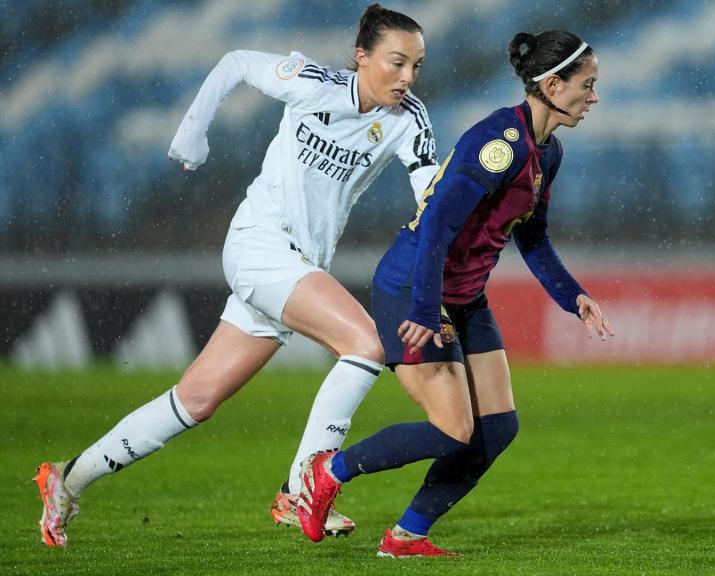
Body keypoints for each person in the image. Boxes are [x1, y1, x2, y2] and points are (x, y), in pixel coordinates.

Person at [34, 4, 439, 547]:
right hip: (259, 246)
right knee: (365, 344)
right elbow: (236, 61)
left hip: (296, 265)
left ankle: (68, 478)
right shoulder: (313, 83)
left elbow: (430, 198)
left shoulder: (408, 120)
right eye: (396, 63)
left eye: (416, 65)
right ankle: (301, 489)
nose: (407, 77)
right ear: (362, 56)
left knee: (196, 399)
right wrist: (193, 132)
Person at [294, 30, 613, 558]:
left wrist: (572, 296)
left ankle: (407, 535)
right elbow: (436, 226)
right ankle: (326, 470)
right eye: (589, 84)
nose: (594, 96)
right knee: (452, 430)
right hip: (414, 287)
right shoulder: (499, 144)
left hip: (463, 297)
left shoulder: (546, 153)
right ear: (553, 85)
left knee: (499, 426)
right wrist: (423, 308)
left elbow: (531, 237)